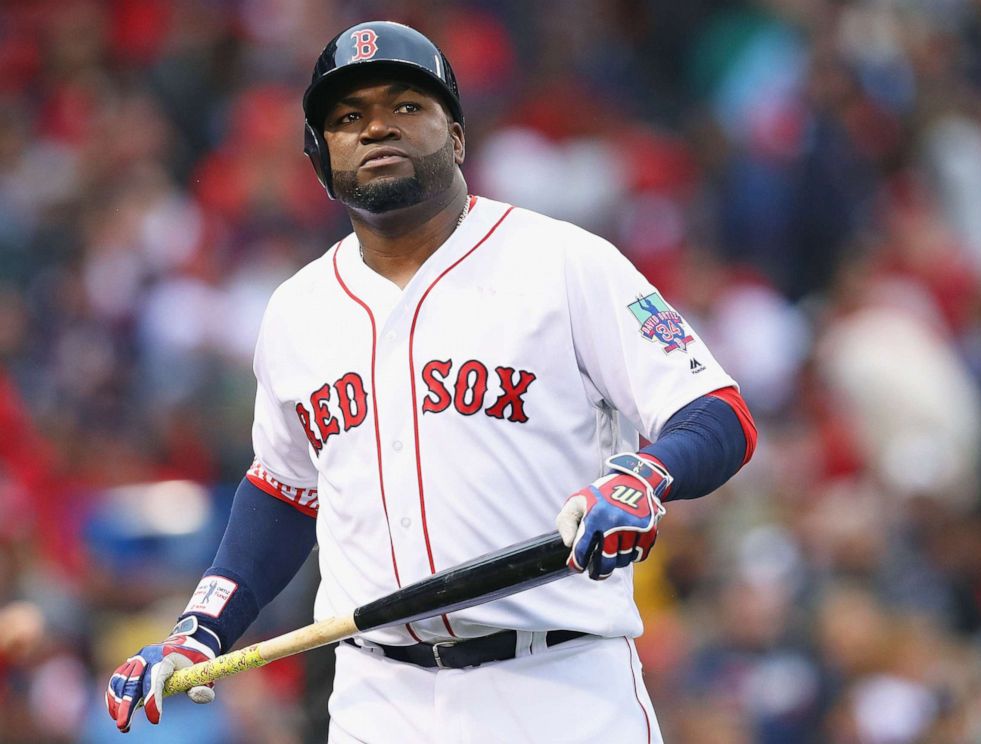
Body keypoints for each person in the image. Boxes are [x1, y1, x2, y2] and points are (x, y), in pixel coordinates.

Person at [106, 20, 757, 743]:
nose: (377, 127)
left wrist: (646, 474)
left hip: (559, 686)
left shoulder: (564, 262)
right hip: (377, 700)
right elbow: (285, 490)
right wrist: (203, 626)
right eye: (347, 119)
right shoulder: (297, 309)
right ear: (322, 161)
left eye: (406, 106)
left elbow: (718, 412)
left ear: (455, 136)